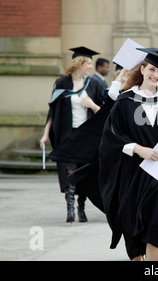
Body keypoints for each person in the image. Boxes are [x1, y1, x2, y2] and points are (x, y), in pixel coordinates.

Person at [98, 48, 158, 261]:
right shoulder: (125, 101)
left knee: (157, 223)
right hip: (132, 172)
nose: (156, 75)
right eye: (152, 69)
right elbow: (111, 136)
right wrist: (137, 148)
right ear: (142, 69)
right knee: (130, 222)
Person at [40, 47, 105, 223]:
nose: (91, 67)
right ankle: (70, 208)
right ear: (79, 64)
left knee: (83, 172)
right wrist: (45, 135)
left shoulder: (94, 85)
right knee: (70, 170)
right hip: (67, 135)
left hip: (87, 135)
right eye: (89, 63)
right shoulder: (61, 84)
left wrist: (92, 105)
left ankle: (81, 207)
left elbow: (104, 112)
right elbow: (52, 111)